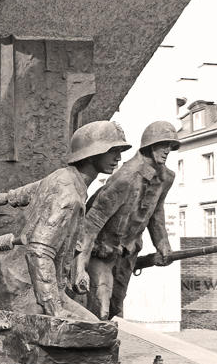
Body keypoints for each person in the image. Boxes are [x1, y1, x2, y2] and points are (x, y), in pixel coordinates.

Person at [0, 121, 130, 319]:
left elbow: (37, 187)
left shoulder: (66, 176)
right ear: (92, 152)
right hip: (26, 289)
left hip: (37, 284)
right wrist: (54, 309)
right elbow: (38, 252)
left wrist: (9, 197)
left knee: (97, 327)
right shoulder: (69, 197)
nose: (118, 158)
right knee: (96, 333)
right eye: (112, 151)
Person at [73, 121, 179, 320]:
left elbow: (156, 212)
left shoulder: (166, 178)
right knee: (100, 306)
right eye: (162, 144)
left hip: (127, 253)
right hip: (101, 250)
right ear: (149, 146)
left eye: (171, 146)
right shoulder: (126, 177)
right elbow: (91, 223)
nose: (167, 150)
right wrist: (80, 266)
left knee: (115, 307)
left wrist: (162, 243)